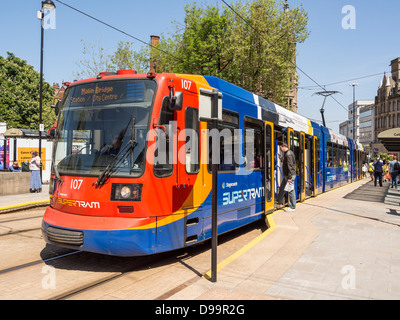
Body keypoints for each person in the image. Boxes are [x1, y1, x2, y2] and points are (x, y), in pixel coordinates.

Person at [276, 142, 296, 212]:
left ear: (283, 146)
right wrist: (282, 160)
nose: (280, 149)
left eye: (280, 148)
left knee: (291, 191)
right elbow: (287, 163)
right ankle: (278, 201)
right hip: (287, 175)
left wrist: (290, 178)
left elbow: (290, 166)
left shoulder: (288, 154)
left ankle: (293, 207)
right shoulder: (287, 153)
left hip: (289, 175)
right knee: (282, 188)